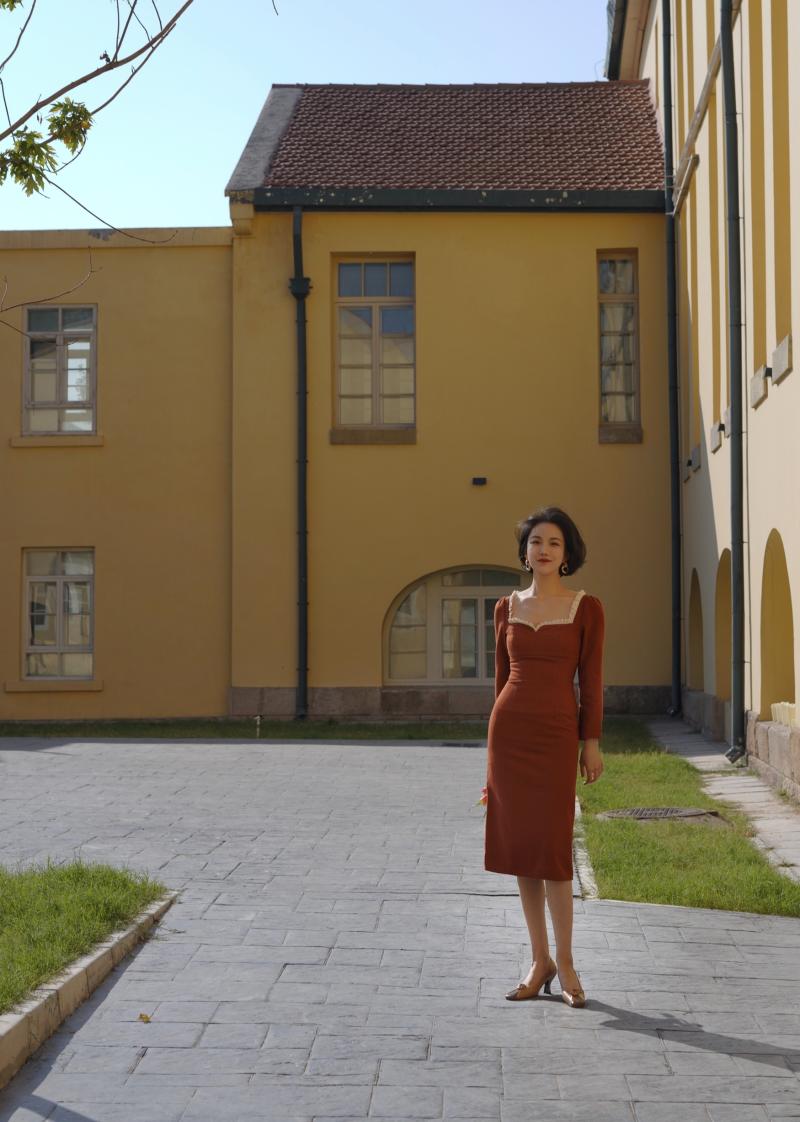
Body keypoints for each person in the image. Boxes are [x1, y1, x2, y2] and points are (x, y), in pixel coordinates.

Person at [484, 505, 605, 1008]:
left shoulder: (586, 607)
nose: (544, 550)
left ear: (566, 552)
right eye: (536, 542)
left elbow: (591, 682)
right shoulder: (505, 608)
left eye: (554, 542)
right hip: (508, 734)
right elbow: (498, 682)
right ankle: (540, 961)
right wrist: (489, 768)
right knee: (522, 852)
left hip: (556, 736)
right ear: (525, 551)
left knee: (553, 850)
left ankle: (568, 959)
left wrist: (590, 742)